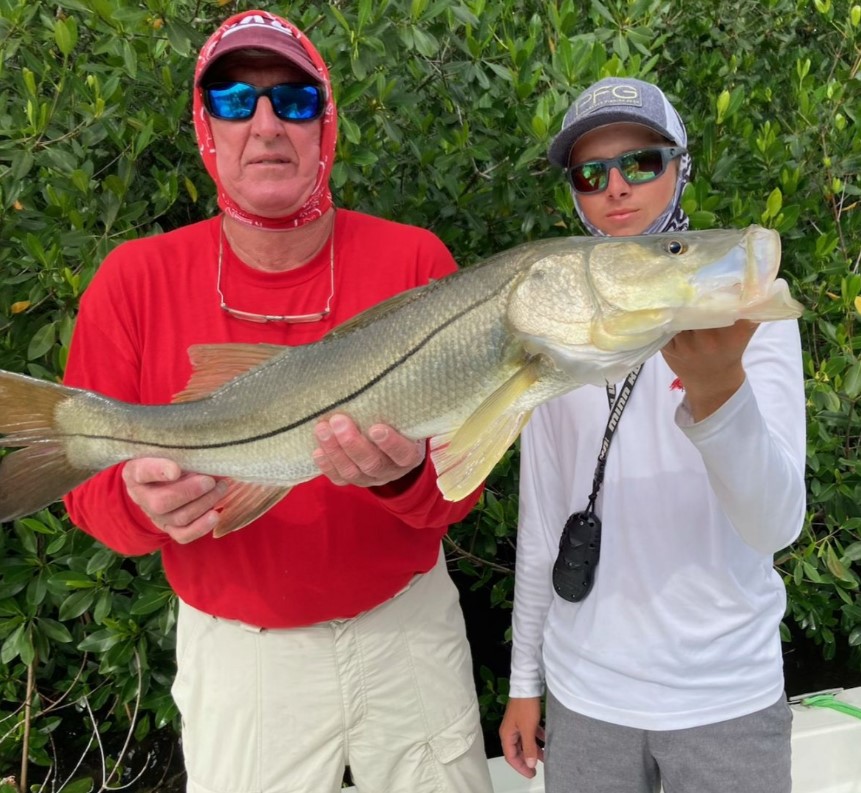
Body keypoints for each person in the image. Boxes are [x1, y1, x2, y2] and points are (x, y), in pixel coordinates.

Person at [61, 10, 493, 793]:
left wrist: (398, 479)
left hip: (407, 632)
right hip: (243, 660)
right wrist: (139, 504)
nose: (265, 124)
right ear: (206, 127)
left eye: (292, 99)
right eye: (234, 99)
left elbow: (459, 492)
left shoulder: (417, 261)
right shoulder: (132, 280)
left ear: (325, 124)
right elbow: (89, 496)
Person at [499, 76, 806, 792]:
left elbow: (775, 523)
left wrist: (717, 391)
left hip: (724, 698)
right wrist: (524, 679)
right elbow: (542, 519)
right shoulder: (549, 315)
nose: (616, 187)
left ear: (680, 167)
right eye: (591, 172)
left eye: (641, 162)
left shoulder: (741, 305)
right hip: (586, 699)